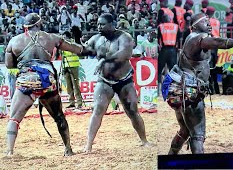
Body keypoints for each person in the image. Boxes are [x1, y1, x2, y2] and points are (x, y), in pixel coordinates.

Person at [162, 13, 233, 154]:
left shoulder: (191, 38)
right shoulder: (199, 38)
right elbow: (218, 42)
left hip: (181, 92)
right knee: (197, 135)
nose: (209, 24)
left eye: (209, 21)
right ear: (194, 26)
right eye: (204, 21)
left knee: (185, 131)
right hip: (190, 94)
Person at [5, 13, 86, 156]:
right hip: (47, 81)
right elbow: (74, 48)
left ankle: (10, 151)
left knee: (14, 118)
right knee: (59, 116)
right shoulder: (51, 38)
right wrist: (86, 48)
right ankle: (68, 149)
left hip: (27, 81)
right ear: (39, 23)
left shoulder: (14, 41)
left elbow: (9, 64)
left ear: (25, 26)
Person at [82, 13, 150, 153]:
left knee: (132, 111)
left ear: (112, 24)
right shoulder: (96, 39)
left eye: (102, 24)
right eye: (98, 24)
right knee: (98, 109)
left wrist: (103, 60)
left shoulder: (124, 37)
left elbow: (124, 55)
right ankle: (88, 144)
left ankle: (144, 140)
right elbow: (83, 50)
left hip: (124, 80)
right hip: (104, 80)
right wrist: (75, 40)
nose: (99, 26)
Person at [61, 31, 83, 109]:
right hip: (66, 66)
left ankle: (79, 102)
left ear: (68, 37)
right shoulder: (62, 46)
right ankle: (71, 102)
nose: (63, 39)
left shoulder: (73, 44)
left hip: (73, 66)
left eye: (64, 37)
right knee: (69, 86)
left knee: (75, 85)